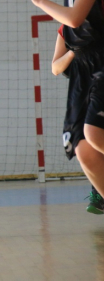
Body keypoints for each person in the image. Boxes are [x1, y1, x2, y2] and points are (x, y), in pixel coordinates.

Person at [25, 0, 104, 213]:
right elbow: (60, 53)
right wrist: (73, 51)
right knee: (85, 150)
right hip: (87, 70)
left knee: (93, 133)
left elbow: (74, 18)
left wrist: (42, 1)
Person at [52, 26, 104, 214]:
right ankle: (97, 191)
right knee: (85, 145)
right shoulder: (66, 29)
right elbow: (55, 68)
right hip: (84, 91)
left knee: (95, 136)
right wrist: (74, 52)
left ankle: (97, 193)